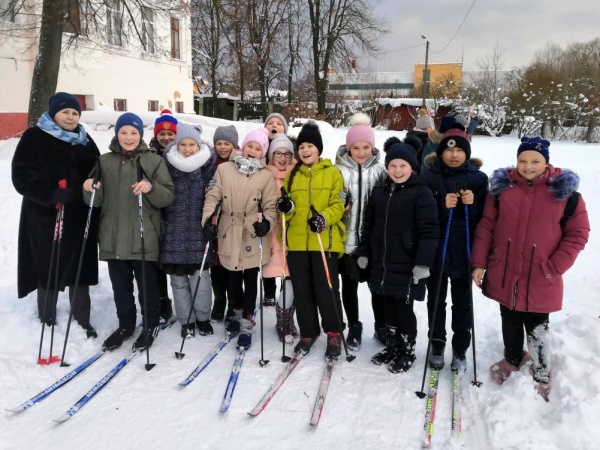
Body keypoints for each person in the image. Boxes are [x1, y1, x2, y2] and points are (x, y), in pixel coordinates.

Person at [471, 137, 590, 401]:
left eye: (535, 161)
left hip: (541, 273)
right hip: (505, 270)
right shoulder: (502, 190)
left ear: (546, 162)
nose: (528, 166)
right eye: (522, 160)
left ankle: (542, 370)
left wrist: (555, 266)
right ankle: (513, 358)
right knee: (509, 317)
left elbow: (578, 234)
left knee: (537, 325)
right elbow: (486, 227)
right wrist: (479, 263)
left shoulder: (565, 195)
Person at [83, 112, 175, 351]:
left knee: (147, 287)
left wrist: (150, 187)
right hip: (113, 237)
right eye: (124, 132)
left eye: (134, 132)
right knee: (120, 287)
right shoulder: (104, 161)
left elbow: (167, 196)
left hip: (144, 235)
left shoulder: (153, 161)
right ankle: (126, 325)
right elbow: (95, 200)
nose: (128, 137)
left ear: (141, 135)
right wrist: (89, 188)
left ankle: (150, 324)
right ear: (117, 134)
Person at [12, 92, 100, 338]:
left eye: (74, 113)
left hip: (81, 216)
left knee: (80, 267)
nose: (70, 117)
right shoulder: (35, 137)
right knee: (48, 266)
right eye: (65, 112)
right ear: (53, 113)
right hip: (47, 217)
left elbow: (97, 168)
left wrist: (95, 184)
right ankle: (47, 316)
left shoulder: (84, 139)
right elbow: (21, 176)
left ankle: (82, 318)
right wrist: (50, 193)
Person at [360, 136, 439, 373]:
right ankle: (392, 346)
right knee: (387, 306)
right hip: (382, 262)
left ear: (412, 167)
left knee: (403, 309)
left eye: (403, 165)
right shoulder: (380, 191)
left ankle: (408, 350)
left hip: (407, 264)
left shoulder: (421, 193)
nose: (397, 170)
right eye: (393, 165)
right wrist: (365, 251)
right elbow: (369, 224)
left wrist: (423, 264)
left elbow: (430, 232)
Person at [202, 126, 277, 350]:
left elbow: (271, 206)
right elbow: (212, 195)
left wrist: (267, 223)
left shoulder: (265, 176)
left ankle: (247, 320)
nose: (252, 151)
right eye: (249, 146)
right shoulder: (224, 169)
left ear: (263, 152)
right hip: (228, 229)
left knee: (251, 278)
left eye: (258, 148)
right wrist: (207, 220)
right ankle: (235, 314)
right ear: (243, 147)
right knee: (232, 276)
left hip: (252, 231)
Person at [276, 121, 346, 360]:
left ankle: (334, 332)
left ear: (319, 149)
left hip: (322, 242)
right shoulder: (292, 176)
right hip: (296, 244)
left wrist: (323, 219)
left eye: (310, 146)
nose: (305, 150)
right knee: (303, 292)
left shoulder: (332, 173)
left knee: (326, 291)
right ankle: (308, 332)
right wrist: (286, 207)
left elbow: (339, 205)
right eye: (302, 146)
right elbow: (287, 209)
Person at [423, 128, 489, 372]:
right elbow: (422, 216)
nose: (454, 155)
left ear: (467, 153)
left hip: (463, 252)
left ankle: (460, 346)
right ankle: (437, 342)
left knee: (462, 303)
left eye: (460, 150)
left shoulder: (479, 179)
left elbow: (485, 219)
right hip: (438, 252)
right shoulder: (429, 177)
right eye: (449, 149)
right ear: (440, 152)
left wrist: (471, 206)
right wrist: (441, 205)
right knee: (436, 300)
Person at [335, 112, 387, 351]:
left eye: (366, 146)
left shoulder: (381, 170)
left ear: (372, 147)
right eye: (356, 147)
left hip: (373, 241)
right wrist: (339, 200)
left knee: (376, 287)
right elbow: (332, 198)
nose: (361, 152)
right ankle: (354, 325)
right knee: (349, 286)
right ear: (348, 148)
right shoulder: (338, 170)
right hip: (346, 240)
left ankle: (381, 325)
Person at [160, 124, 216, 338]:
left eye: (192, 144)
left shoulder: (208, 167)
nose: (187, 149)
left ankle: (202, 318)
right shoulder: (167, 165)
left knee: (201, 280)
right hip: (173, 232)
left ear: (199, 144)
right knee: (178, 282)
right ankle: (186, 320)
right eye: (183, 144)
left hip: (199, 232)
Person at [262, 133, 299, 343]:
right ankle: (282, 321)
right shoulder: (265, 174)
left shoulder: (298, 174)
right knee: (281, 275)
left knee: (291, 280)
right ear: (271, 155)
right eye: (278, 153)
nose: (283, 158)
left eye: (287, 153)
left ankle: (286, 320)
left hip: (292, 234)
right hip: (272, 233)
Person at [148, 109, 179, 322]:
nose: (166, 138)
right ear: (156, 135)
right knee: (156, 260)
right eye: (162, 134)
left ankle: (184, 301)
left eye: (170, 134)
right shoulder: (149, 155)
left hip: (177, 211)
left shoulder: (182, 153)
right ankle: (161, 299)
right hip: (156, 212)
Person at [209, 125, 238, 322]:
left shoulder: (239, 163)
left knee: (232, 263)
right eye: (218, 143)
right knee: (216, 263)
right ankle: (219, 300)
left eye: (226, 143)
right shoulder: (210, 163)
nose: (222, 147)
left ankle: (234, 302)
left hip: (234, 220)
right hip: (215, 218)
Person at [262, 112, 289, 306]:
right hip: (268, 216)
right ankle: (268, 291)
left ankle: (285, 291)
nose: (274, 125)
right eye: (270, 123)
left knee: (286, 254)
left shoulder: (292, 161)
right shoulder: (262, 159)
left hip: (288, 218)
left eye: (278, 123)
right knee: (268, 254)